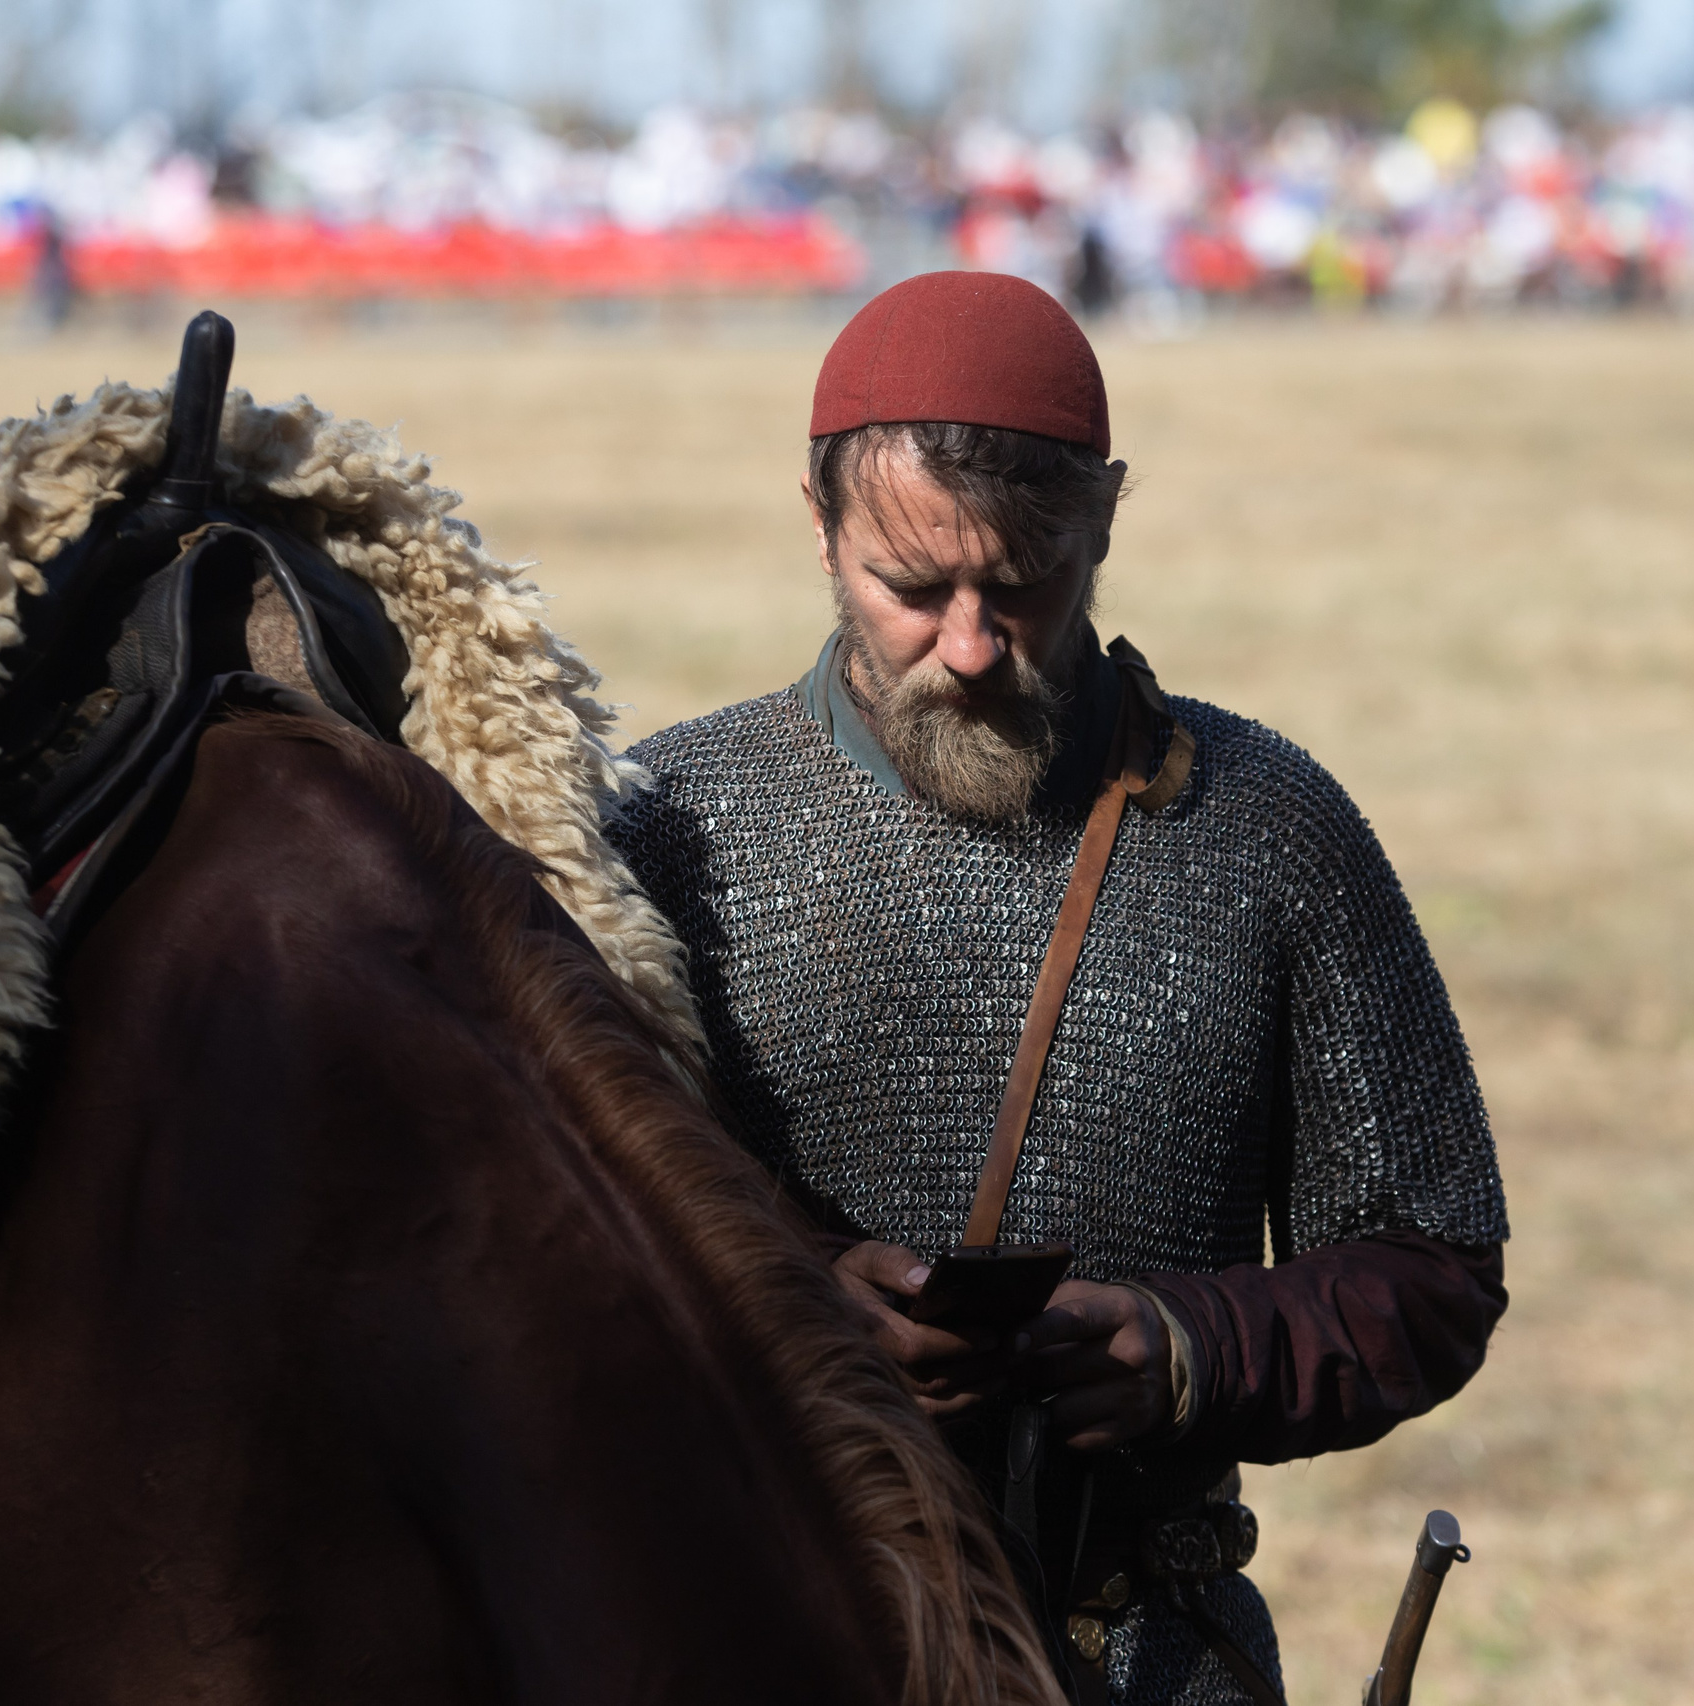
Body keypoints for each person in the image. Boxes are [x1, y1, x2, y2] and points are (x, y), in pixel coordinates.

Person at [605, 271, 1508, 1706]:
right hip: (766, 1625)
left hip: (1141, 1652)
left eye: (1023, 584)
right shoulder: (660, 833)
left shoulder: (1264, 829)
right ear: (820, 523)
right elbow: (530, 1263)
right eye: (911, 588)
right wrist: (794, 1304)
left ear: (1104, 520)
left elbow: (1432, 1265)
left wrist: (1193, 1348)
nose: (969, 645)